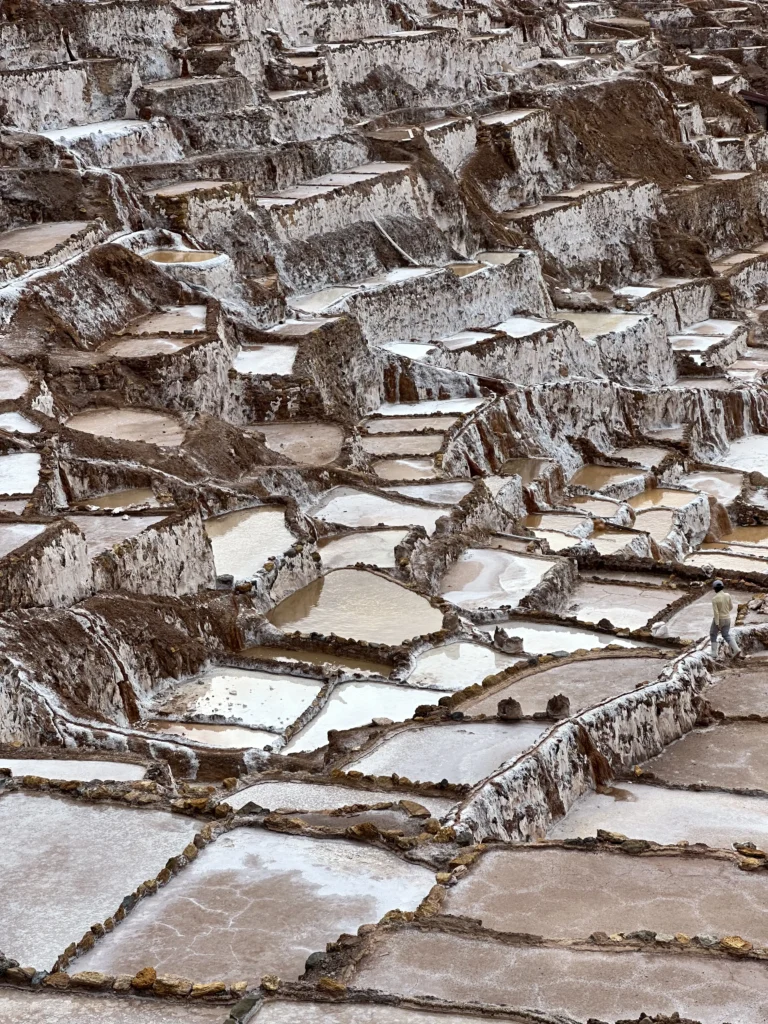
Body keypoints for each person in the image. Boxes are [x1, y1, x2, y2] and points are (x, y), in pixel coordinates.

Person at [710, 579, 740, 658]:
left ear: (714, 588)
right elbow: (731, 607)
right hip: (728, 618)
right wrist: (725, 612)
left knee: (713, 634)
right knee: (726, 635)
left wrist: (717, 623)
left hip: (720, 619)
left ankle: (714, 653)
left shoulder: (715, 599)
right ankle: (736, 649)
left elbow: (716, 613)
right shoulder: (727, 595)